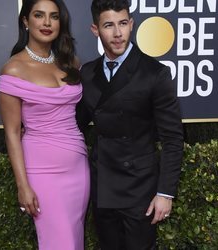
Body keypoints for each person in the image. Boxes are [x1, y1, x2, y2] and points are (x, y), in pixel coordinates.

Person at [77, 0, 184, 249]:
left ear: (131, 24)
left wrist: (165, 193)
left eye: (123, 24)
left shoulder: (154, 73)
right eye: (109, 25)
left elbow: (172, 138)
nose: (117, 33)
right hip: (102, 184)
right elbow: (76, 123)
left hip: (140, 189)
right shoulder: (88, 73)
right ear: (95, 30)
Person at [0, 0, 90, 249]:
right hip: (42, 171)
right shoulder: (13, 69)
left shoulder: (71, 63)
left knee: (74, 240)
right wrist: (23, 185)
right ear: (26, 22)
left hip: (78, 168)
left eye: (54, 17)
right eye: (39, 15)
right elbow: (12, 132)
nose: (47, 23)